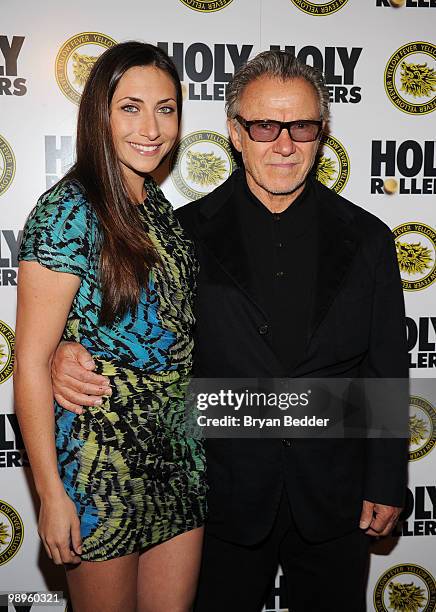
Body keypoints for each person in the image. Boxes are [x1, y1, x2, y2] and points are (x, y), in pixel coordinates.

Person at [50, 50, 408, 612]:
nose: (283, 144)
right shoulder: (183, 234)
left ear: (322, 134)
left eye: (302, 127)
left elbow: (384, 368)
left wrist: (387, 481)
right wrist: (61, 353)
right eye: (264, 125)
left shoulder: (370, 239)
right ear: (235, 133)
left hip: (335, 498)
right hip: (219, 499)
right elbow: (139, 336)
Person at [14, 41, 206, 612]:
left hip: (179, 460)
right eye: (131, 107)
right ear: (100, 112)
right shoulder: (68, 211)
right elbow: (28, 363)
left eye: (166, 108)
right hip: (103, 468)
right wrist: (50, 493)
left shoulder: (159, 210)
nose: (151, 127)